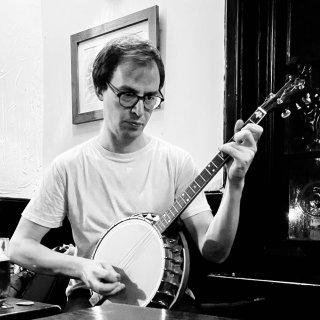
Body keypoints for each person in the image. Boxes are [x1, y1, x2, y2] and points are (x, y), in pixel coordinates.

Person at [8, 35, 263, 313]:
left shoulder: (176, 161)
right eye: (128, 94)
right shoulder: (68, 166)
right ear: (100, 88)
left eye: (150, 97)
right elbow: (20, 246)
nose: (139, 110)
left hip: (166, 299)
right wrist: (82, 267)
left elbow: (215, 250)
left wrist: (236, 183)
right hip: (91, 297)